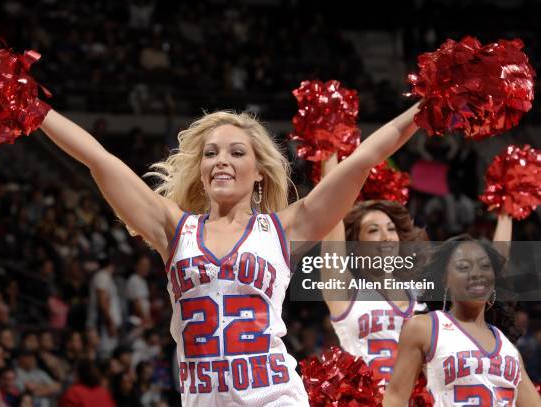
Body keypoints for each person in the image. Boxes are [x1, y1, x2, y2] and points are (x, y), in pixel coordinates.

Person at [39, 101, 420, 405]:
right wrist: (32, 110)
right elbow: (99, 159)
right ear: (201, 169)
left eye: (237, 152)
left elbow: (365, 157)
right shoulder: (174, 229)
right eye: (211, 153)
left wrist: (427, 106)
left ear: (258, 172)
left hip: (276, 398)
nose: (221, 159)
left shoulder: (283, 229)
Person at [320, 154, 513, 383]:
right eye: (373, 230)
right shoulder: (345, 293)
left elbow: (491, 270)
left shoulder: (423, 293)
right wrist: (328, 145)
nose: (386, 237)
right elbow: (331, 212)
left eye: (391, 229)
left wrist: (508, 208)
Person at [383, 236, 541, 406]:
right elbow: (395, 397)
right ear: (445, 280)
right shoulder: (424, 328)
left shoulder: (509, 349)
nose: (476, 274)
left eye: (485, 266)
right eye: (464, 267)